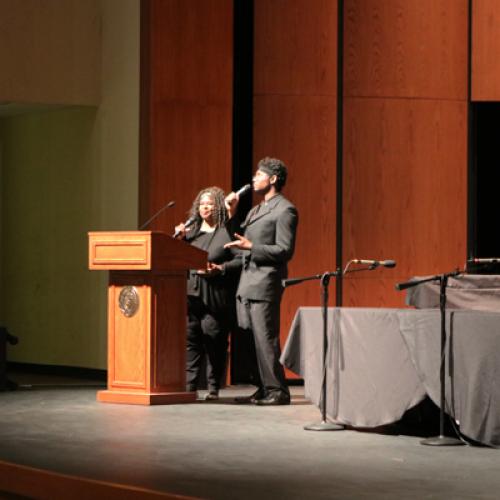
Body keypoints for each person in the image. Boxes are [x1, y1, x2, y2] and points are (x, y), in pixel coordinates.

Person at [224, 157, 299, 406]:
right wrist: (232, 215)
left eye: (259, 174)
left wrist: (253, 247)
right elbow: (239, 242)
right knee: (251, 339)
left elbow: (285, 250)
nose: (254, 178)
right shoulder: (256, 210)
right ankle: (264, 387)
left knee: (266, 338)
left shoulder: (285, 209)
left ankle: (278, 391)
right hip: (248, 281)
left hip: (265, 282)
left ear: (273, 179)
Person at [174, 187, 240, 400]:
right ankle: (189, 387)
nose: (205, 206)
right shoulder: (191, 232)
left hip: (216, 297)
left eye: (210, 203)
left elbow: (241, 259)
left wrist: (220, 269)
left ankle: (213, 388)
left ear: (219, 206)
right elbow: (178, 258)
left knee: (214, 341)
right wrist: (181, 239)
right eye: (202, 203)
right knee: (191, 341)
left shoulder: (226, 230)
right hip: (191, 296)